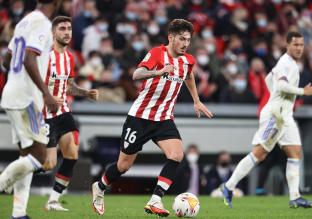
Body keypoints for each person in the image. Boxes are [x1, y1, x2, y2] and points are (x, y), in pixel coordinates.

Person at [91, 19, 213, 217]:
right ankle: (99, 186)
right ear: (170, 37)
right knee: (123, 166)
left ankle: (155, 199)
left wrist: (196, 100)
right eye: (181, 39)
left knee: (176, 155)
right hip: (140, 117)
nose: (185, 43)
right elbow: (136, 74)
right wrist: (159, 71)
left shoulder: (188, 60)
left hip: (164, 118)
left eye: (188, 40)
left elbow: (189, 75)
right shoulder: (157, 53)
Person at [221, 31, 312, 209]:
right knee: (260, 153)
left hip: (285, 115)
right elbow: (280, 84)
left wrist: (275, 94)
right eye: (295, 44)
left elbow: (268, 79)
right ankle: (228, 186)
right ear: (287, 45)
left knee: (295, 152)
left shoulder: (288, 64)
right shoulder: (285, 63)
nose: (299, 48)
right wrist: (303, 91)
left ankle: (295, 196)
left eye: (301, 45)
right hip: (275, 115)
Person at [0, 1, 62, 218]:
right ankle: (2, 183)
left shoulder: (23, 21)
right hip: (27, 98)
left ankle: (18, 214)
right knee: (40, 156)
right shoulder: (43, 23)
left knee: (26, 155)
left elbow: (8, 59)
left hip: (11, 93)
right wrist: (46, 93)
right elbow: (28, 57)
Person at [40, 16, 98, 211]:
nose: (67, 32)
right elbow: (32, 83)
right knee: (49, 164)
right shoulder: (44, 57)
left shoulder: (69, 57)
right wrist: (48, 97)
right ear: (53, 33)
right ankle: (12, 177)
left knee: (72, 155)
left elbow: (69, 86)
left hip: (63, 112)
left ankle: (53, 200)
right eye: (62, 28)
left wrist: (85, 93)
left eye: (69, 29)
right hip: (45, 113)